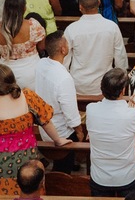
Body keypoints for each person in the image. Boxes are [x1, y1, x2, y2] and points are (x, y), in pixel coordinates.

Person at [0, 64, 70, 193]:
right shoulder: (28, 97)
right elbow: (46, 122)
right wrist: (58, 140)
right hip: (25, 159)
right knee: (28, 192)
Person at [83, 67, 135, 197]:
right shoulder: (132, 114)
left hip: (100, 176)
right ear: (123, 90)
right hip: (126, 176)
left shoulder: (91, 109)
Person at [64, 0, 129, 96]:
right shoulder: (112, 27)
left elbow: (65, 61)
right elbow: (120, 57)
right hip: (105, 85)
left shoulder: (71, 29)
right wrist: (120, 83)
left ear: (80, 7)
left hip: (78, 85)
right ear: (98, 3)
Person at [35, 33, 82, 173]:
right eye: (66, 43)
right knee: (63, 168)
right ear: (63, 49)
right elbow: (70, 112)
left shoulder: (41, 63)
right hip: (61, 133)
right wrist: (79, 131)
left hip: (44, 127)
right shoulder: (64, 78)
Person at [0, 0, 46, 91]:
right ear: (24, 8)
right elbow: (42, 47)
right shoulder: (33, 26)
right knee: (32, 99)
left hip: (6, 73)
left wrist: (3, 48)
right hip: (31, 73)